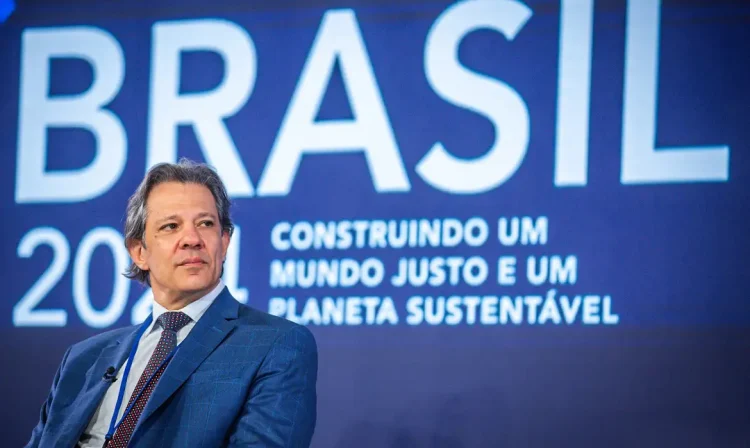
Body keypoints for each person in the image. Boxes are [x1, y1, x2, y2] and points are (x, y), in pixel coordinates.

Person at [25, 159, 318, 448]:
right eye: (170, 226)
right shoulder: (82, 359)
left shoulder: (276, 345)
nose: (192, 239)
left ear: (224, 242)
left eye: (205, 224)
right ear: (139, 252)